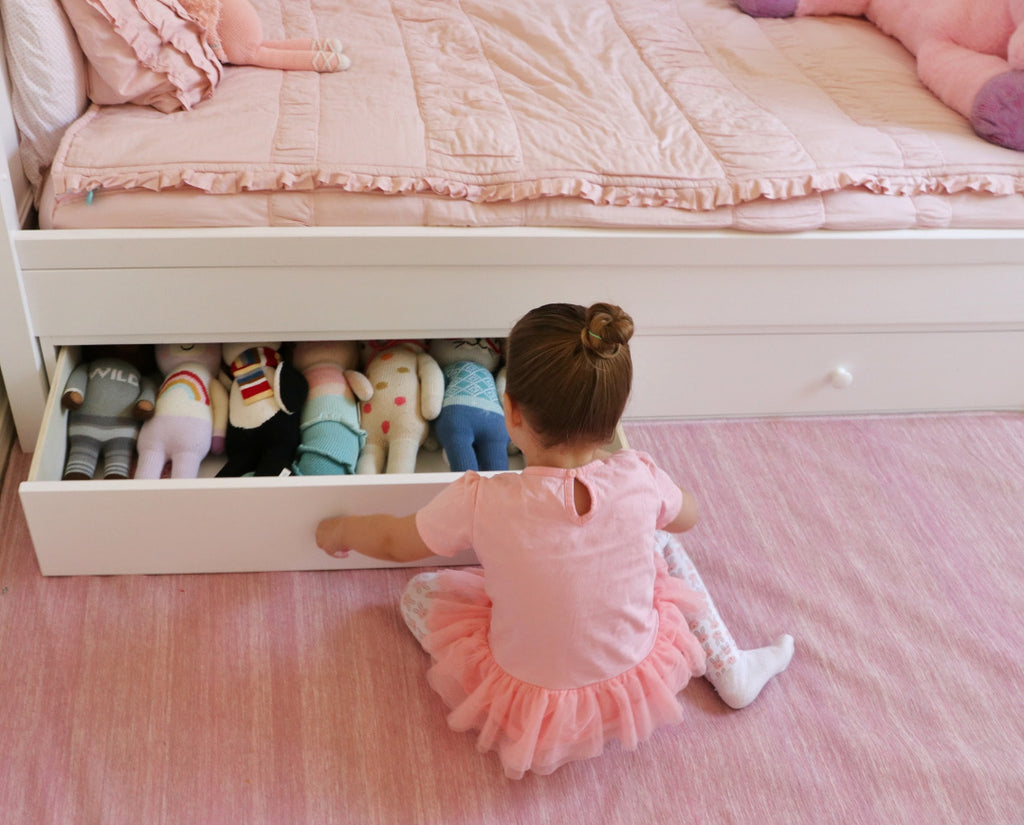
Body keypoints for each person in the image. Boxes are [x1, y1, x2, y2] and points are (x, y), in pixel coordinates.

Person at [316, 302, 794, 780]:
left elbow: (396, 542)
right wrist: (657, 494)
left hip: (530, 702)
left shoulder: (481, 497)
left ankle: (716, 665)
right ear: (615, 417)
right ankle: (730, 669)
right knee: (666, 547)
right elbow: (688, 516)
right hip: (635, 675)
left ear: (510, 408)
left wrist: (342, 530)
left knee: (419, 593)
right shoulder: (639, 474)